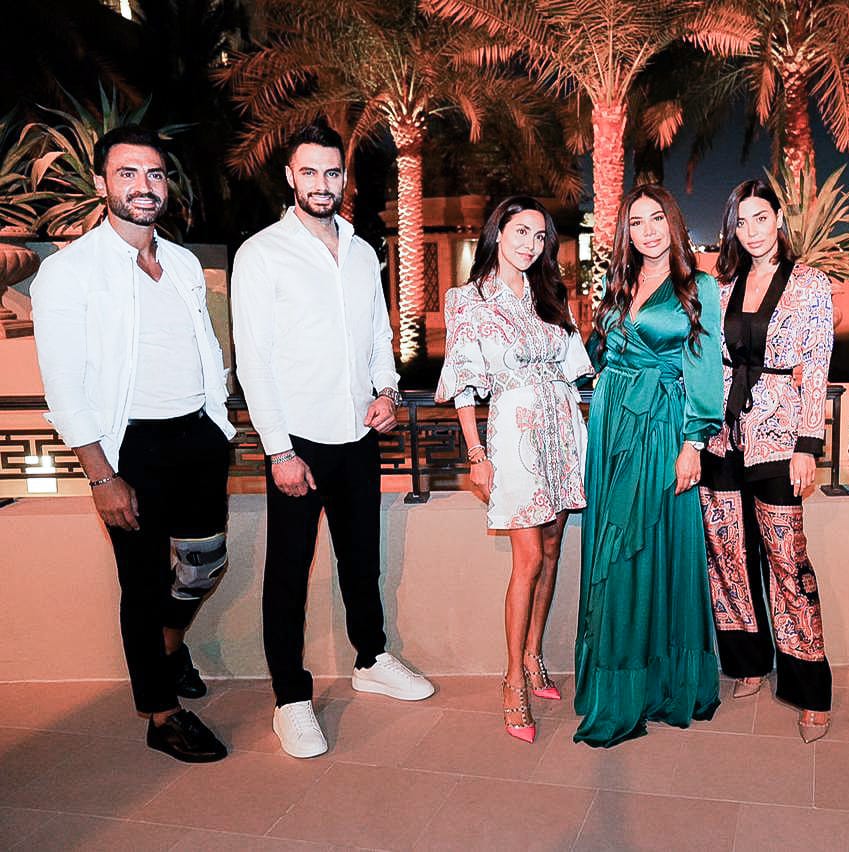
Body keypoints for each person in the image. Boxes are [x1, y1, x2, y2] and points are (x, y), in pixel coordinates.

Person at [31, 125, 235, 762]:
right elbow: (64, 385)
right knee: (142, 584)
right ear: (102, 183)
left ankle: (169, 648)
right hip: (129, 447)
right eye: (127, 173)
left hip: (198, 435)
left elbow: (202, 347)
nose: (144, 186)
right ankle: (160, 712)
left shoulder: (182, 263)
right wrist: (101, 475)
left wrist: (218, 423)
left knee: (205, 563)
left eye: (154, 173)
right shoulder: (68, 272)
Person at [231, 123, 434, 760]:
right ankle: (290, 699)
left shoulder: (362, 248)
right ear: (290, 177)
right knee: (288, 574)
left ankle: (371, 659)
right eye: (310, 172)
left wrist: (387, 392)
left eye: (332, 172)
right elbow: (253, 360)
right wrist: (279, 450)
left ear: (344, 177)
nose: (322, 183)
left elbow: (378, 333)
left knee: (361, 560)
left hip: (357, 433)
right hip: (297, 442)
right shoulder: (261, 253)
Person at [436, 196, 591, 743]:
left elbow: (574, 371)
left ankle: (533, 655)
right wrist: (476, 456)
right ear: (498, 233)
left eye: (540, 236)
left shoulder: (550, 293)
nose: (530, 244)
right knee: (527, 559)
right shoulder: (467, 300)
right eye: (520, 231)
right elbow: (462, 385)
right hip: (513, 437)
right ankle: (511, 682)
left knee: (551, 549)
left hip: (562, 432)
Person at [574, 184, 724, 747]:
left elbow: (704, 367)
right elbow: (595, 353)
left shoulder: (698, 286)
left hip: (663, 426)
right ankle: (616, 681)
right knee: (612, 548)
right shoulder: (617, 284)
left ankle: (656, 685)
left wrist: (694, 442)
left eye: (656, 218)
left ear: (673, 223)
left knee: (649, 548)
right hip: (611, 423)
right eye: (636, 223)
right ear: (625, 233)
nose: (647, 231)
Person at [701, 179, 834, 743]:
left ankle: (810, 687)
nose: (752, 231)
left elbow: (818, 364)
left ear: (779, 218)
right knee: (727, 553)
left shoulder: (810, 284)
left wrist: (808, 445)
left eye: (761, 218)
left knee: (786, 558)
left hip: (779, 437)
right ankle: (748, 662)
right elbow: (706, 360)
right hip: (722, 436)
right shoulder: (722, 286)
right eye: (741, 221)